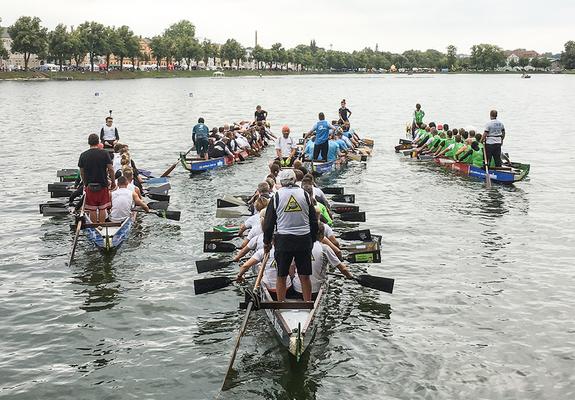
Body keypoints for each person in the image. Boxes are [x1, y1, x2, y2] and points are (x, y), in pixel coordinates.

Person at [263, 169, 318, 302]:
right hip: (304, 240)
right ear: (294, 180)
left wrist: (266, 242)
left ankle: (280, 304)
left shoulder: (276, 197)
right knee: (304, 276)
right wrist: (313, 240)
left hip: (284, 241)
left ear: (281, 182)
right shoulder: (305, 195)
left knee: (281, 275)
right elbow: (313, 220)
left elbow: (269, 223)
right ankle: (307, 303)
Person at [289, 224, 352, 300]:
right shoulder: (325, 248)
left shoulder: (297, 246)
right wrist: (349, 276)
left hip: (297, 290)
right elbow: (343, 269)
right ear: (322, 236)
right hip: (315, 292)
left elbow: (291, 270)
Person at [78, 133, 116, 224]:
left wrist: (84, 183)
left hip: (90, 185)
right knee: (102, 207)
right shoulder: (104, 153)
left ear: (88, 142)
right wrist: (113, 181)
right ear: (98, 141)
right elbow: (111, 169)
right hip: (103, 184)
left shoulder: (83, 155)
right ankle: (102, 226)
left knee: (92, 209)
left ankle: (95, 227)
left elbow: (82, 172)